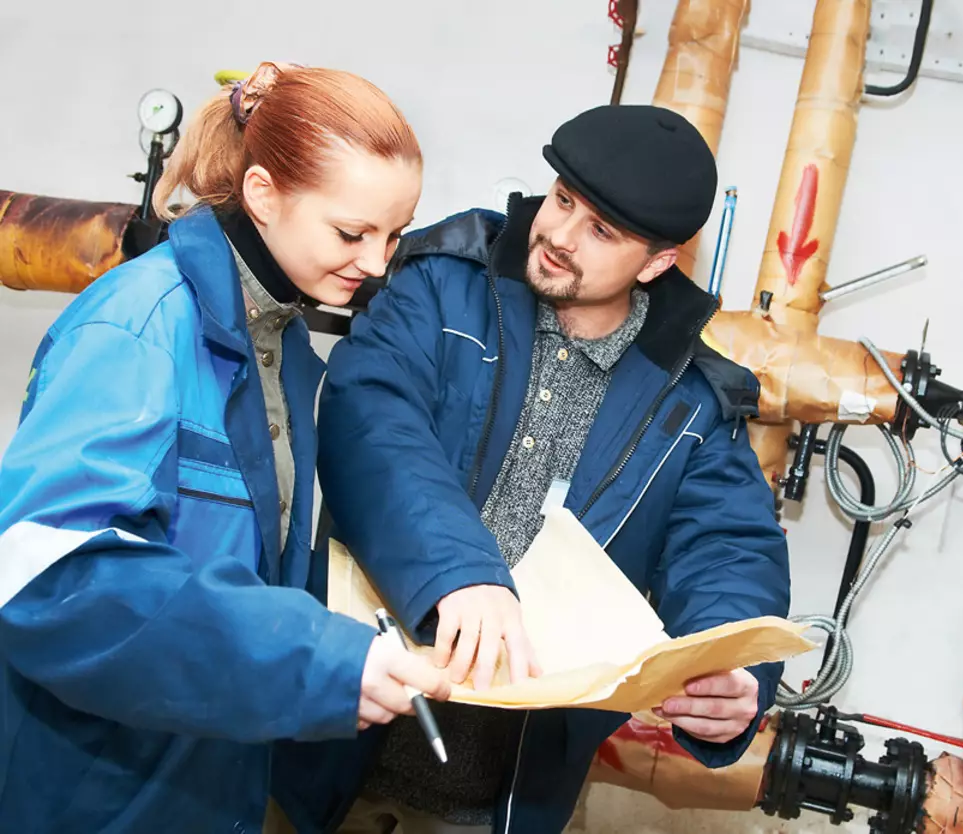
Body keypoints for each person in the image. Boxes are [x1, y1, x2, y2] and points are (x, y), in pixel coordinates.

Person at [283, 104, 790, 834]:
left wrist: (737, 673)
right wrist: (460, 572)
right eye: (562, 200)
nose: (557, 235)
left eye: (600, 231)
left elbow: (729, 549)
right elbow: (373, 420)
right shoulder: (442, 285)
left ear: (655, 263)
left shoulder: (694, 405)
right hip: (320, 757)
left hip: (492, 808)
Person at [0, 61, 450, 833]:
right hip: (96, 788)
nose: (377, 264)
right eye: (352, 233)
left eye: (394, 236)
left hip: (207, 771)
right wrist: (317, 660)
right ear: (264, 194)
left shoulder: (280, 344)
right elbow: (49, 582)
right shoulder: (139, 326)